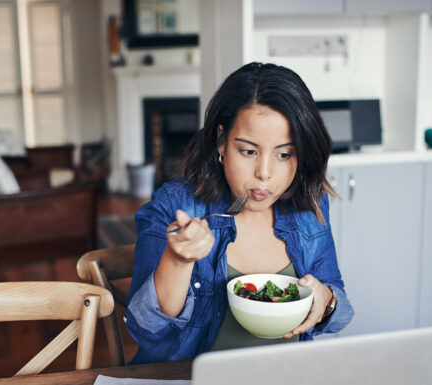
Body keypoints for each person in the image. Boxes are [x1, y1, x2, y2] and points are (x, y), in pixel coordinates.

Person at [125, 62, 354, 364]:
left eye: (284, 154)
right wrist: (178, 260)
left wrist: (327, 300)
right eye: (248, 151)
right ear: (221, 141)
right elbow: (144, 329)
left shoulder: (309, 204)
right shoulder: (175, 205)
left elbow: (338, 301)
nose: (265, 174)